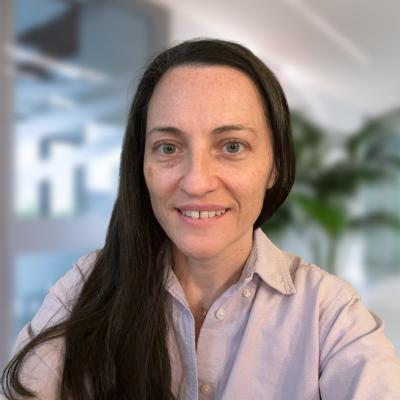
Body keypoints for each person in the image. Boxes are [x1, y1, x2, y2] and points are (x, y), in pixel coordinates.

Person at [1, 38, 400, 400]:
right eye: (168, 147)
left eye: (232, 146)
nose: (196, 182)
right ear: (141, 164)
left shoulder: (328, 314)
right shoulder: (87, 287)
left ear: (275, 165)